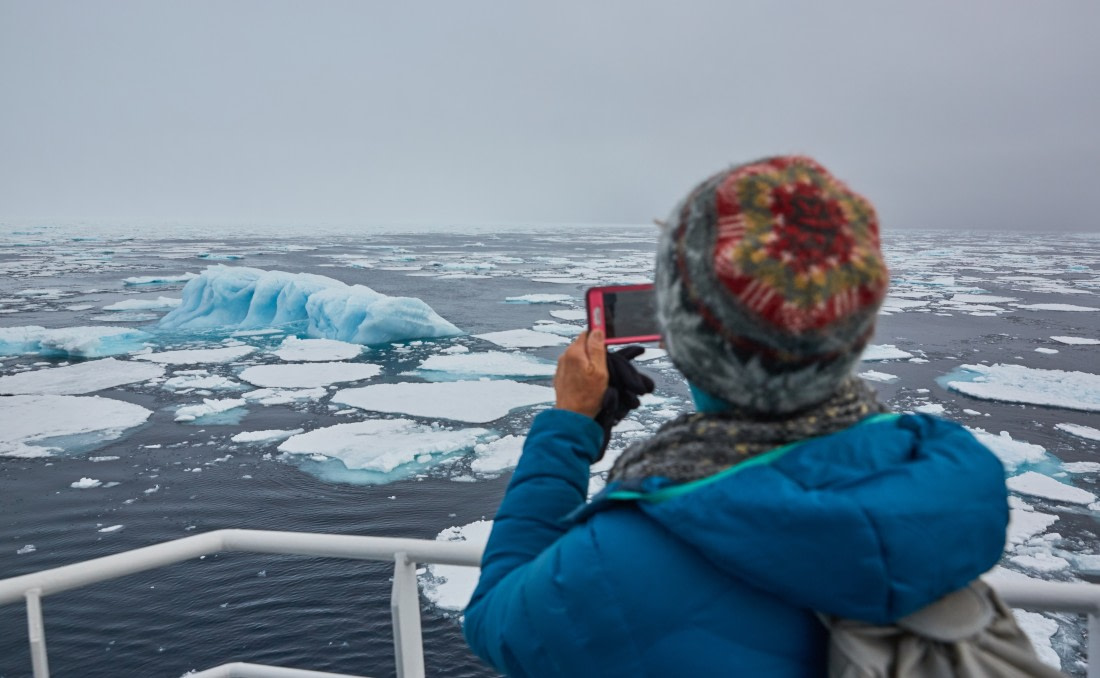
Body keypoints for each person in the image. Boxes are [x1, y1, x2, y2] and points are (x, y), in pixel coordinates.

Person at [462, 156, 1009, 677]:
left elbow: (497, 622)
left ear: (683, 337)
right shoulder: (941, 470)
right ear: (854, 329)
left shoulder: (621, 562)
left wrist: (569, 427)